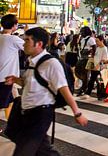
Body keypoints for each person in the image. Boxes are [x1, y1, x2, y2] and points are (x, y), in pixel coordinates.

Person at [4, 27, 88, 155]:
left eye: (27, 40)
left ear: (39, 44)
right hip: (26, 113)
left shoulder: (51, 64)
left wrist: (77, 113)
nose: (24, 43)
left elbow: (63, 89)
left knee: (23, 151)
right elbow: (30, 82)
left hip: (40, 114)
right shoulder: (31, 61)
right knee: (43, 151)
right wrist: (16, 80)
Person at [0, 14, 24, 129]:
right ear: (14, 25)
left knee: (13, 101)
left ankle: (13, 125)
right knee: (7, 102)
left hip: (6, 77)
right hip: (7, 77)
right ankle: (14, 126)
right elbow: (29, 47)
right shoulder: (13, 39)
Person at [81, 35, 108, 99]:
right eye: (96, 41)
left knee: (102, 81)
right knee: (92, 80)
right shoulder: (98, 48)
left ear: (102, 41)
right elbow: (96, 56)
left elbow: (105, 60)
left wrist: (98, 65)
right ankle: (88, 93)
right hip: (95, 67)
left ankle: (101, 95)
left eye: (97, 41)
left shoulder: (104, 48)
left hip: (101, 67)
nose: (96, 42)